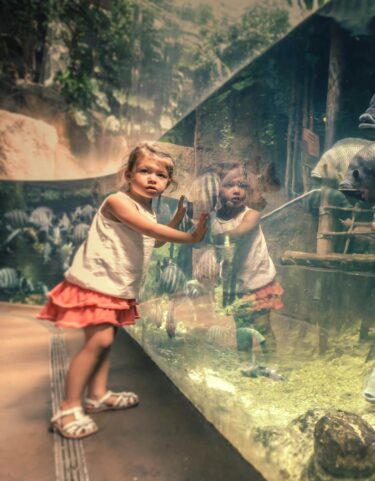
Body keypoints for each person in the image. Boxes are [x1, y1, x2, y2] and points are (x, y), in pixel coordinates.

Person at [38, 143, 209, 439]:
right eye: (145, 171)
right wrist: (190, 236)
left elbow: (152, 240)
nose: (153, 178)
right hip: (97, 283)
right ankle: (66, 410)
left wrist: (176, 220)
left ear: (168, 183)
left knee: (107, 341)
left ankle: (98, 395)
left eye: (161, 175)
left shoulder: (147, 213)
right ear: (129, 175)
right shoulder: (117, 202)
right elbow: (152, 232)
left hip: (118, 287)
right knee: (99, 341)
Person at [208, 163, 284, 370]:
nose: (236, 190)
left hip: (259, 282)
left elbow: (238, 233)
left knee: (262, 326)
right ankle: (245, 365)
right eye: (229, 185)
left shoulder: (251, 214)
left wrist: (211, 238)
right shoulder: (213, 219)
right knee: (241, 327)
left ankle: (270, 365)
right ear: (217, 190)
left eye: (241, 185)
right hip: (235, 286)